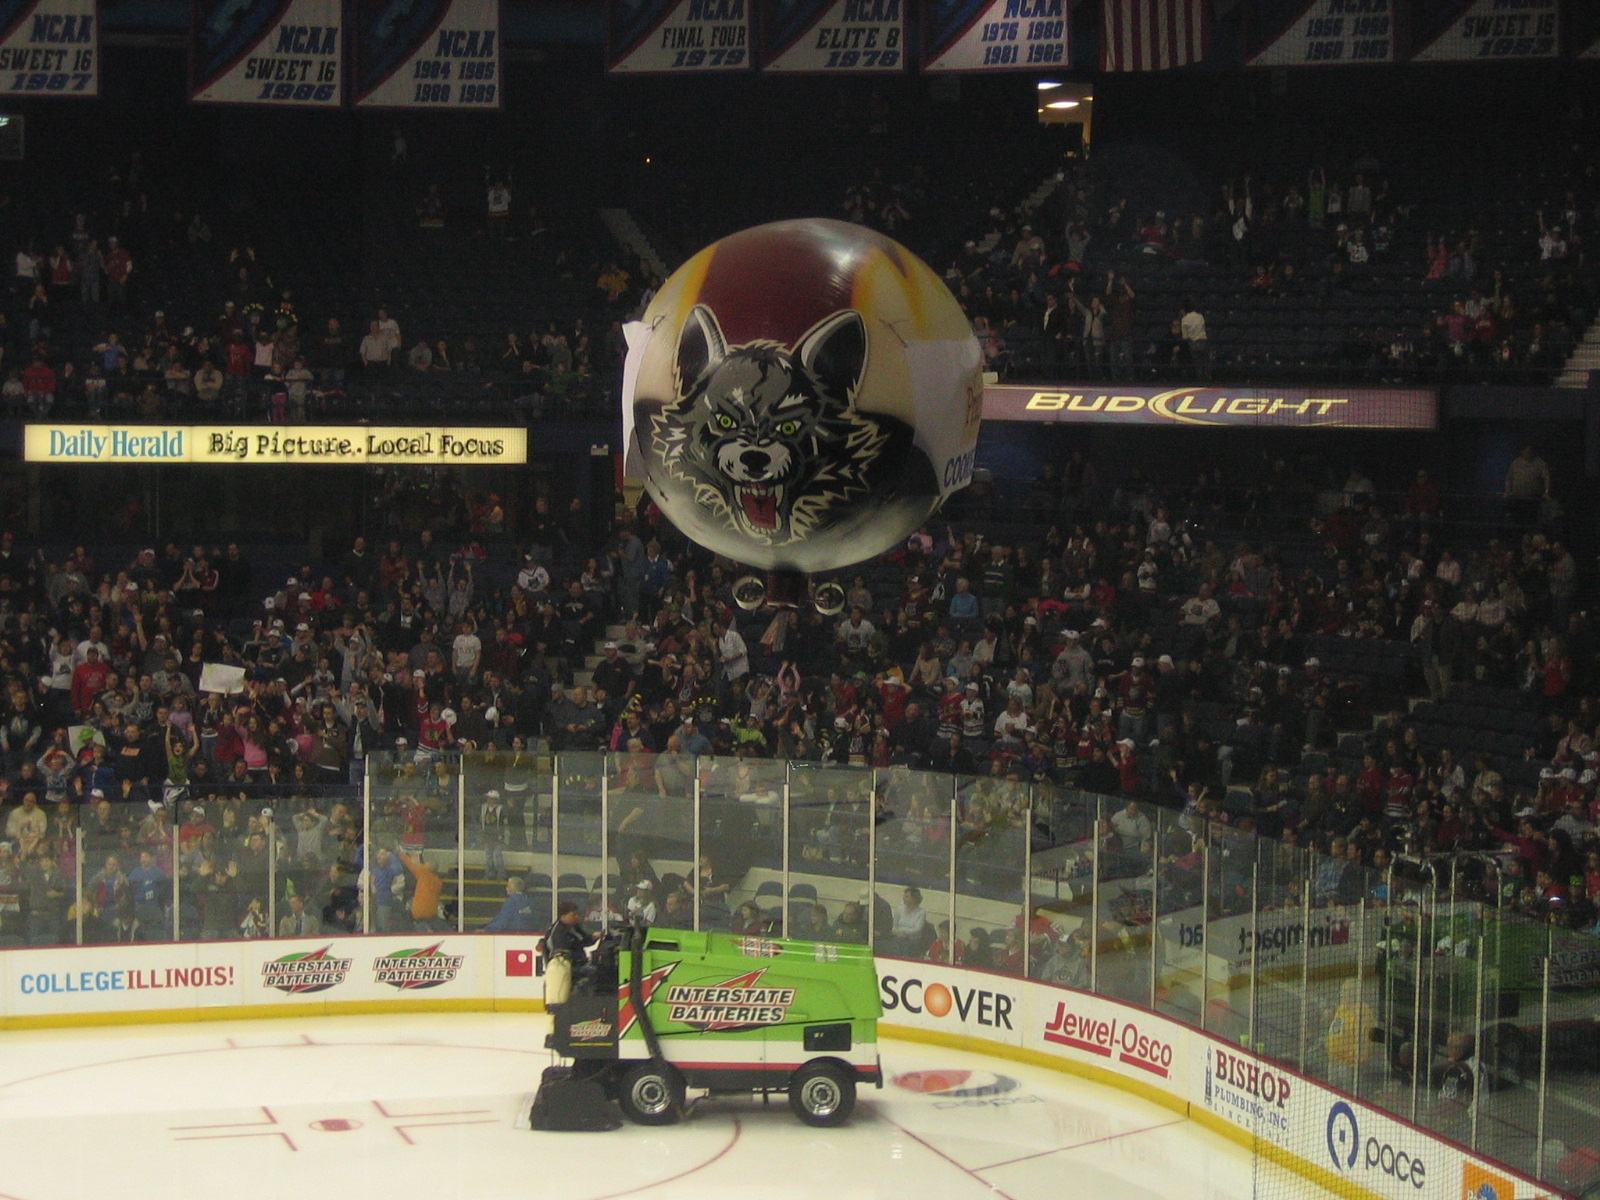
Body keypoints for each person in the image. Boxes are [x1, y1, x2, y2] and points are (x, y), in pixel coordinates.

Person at [543, 901, 596, 1006]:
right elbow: (561, 952)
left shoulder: (574, 927)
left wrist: (594, 937)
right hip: (567, 965)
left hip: (578, 962)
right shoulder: (559, 931)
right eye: (573, 915)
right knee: (596, 971)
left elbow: (584, 941)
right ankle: (586, 1003)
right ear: (563, 916)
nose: (577, 917)